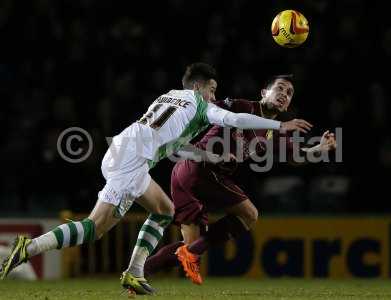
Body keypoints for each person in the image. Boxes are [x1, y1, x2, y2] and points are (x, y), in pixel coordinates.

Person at [0, 64, 311, 294]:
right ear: (200, 88)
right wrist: (281, 127)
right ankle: (29, 248)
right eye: (213, 90)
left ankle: (134, 271)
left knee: (163, 210)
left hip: (122, 148)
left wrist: (212, 156)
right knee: (94, 229)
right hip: (132, 161)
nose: (215, 96)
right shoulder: (202, 105)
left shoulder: (169, 97)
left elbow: (176, 142)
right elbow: (236, 119)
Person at [143, 75, 336, 285]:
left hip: (184, 173)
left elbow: (298, 157)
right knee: (249, 215)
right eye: (279, 88)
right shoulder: (240, 106)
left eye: (289, 93)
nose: (284, 94)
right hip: (202, 167)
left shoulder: (274, 132)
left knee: (190, 245)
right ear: (264, 92)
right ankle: (189, 254)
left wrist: (320, 148)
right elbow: (203, 107)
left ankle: (137, 271)